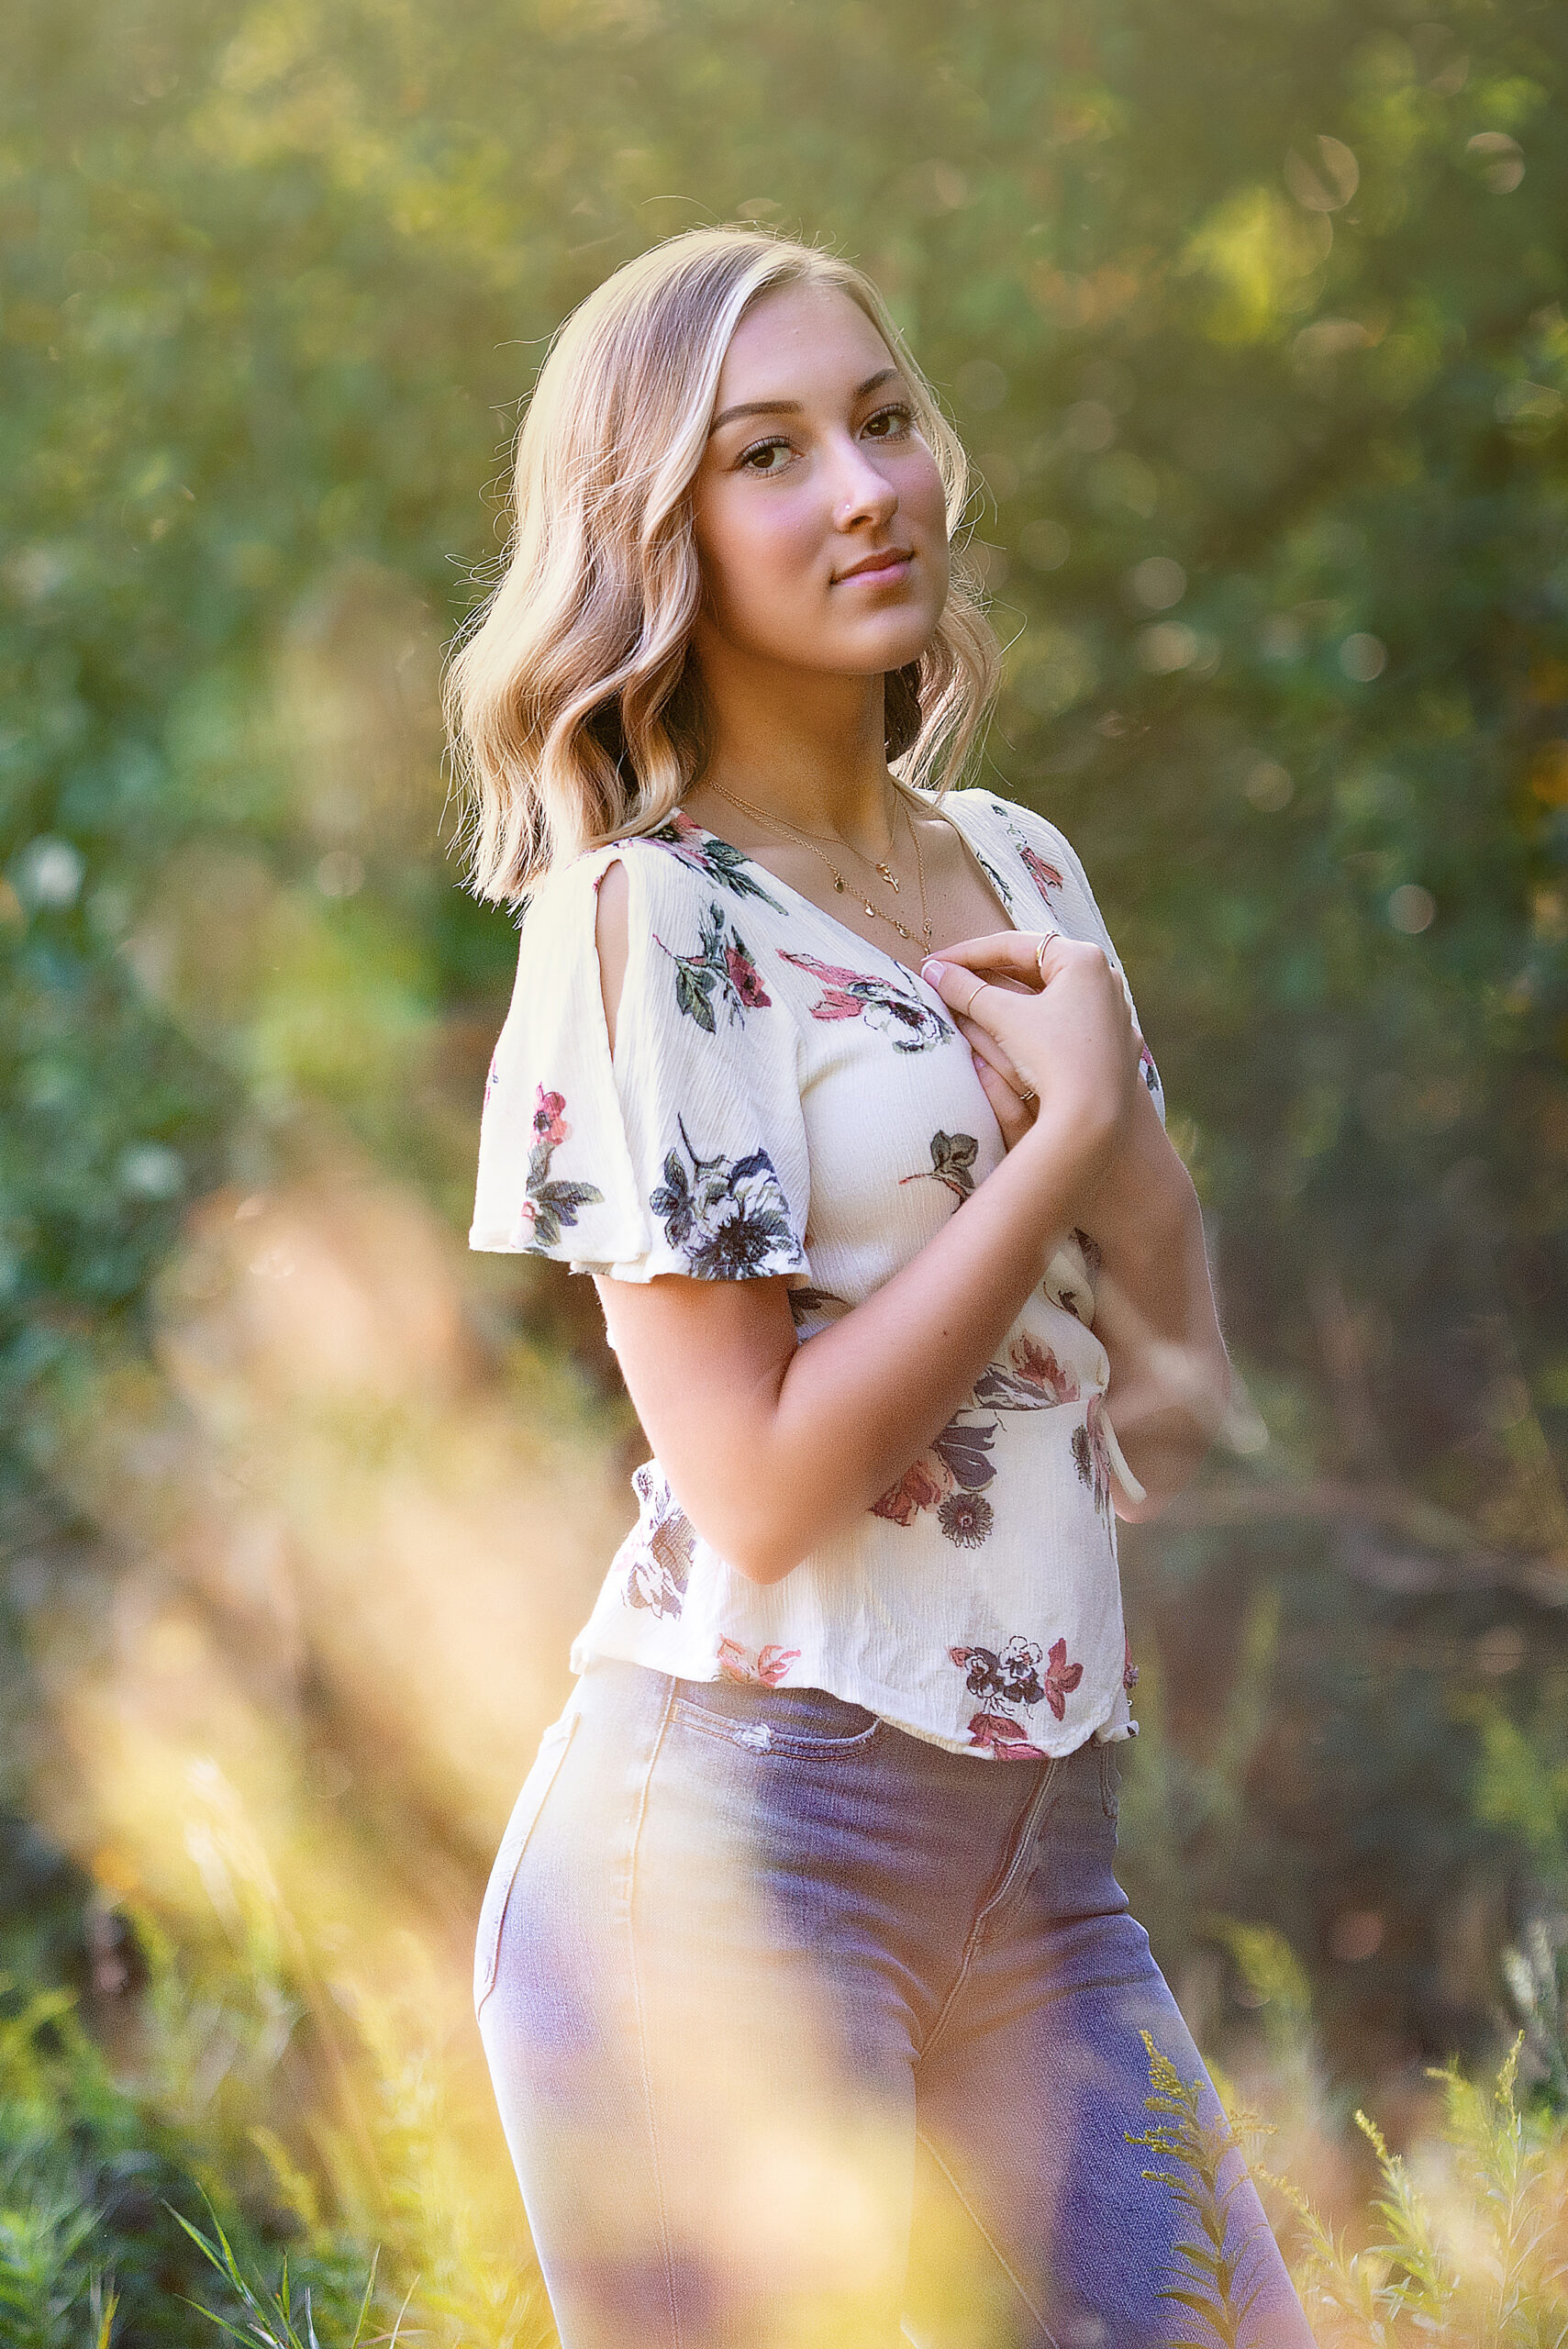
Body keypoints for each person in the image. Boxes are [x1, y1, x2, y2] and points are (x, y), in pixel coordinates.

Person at [449, 226, 1313, 2349]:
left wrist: (1130, 1193)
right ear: (658, 535)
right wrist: (1056, 1151)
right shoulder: (650, 925)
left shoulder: (1018, 863)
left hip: (1045, 1865)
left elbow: (1175, 1370)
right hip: (729, 1868)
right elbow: (750, 1485)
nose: (867, 488)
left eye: (885, 417)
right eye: (771, 452)